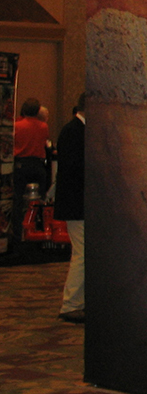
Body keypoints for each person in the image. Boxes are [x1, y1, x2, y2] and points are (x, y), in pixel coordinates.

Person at [54, 93, 85, 323]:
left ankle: (77, 302)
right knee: (81, 254)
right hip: (76, 203)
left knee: (84, 254)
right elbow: (73, 167)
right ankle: (71, 304)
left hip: (80, 202)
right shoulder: (72, 130)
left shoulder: (76, 130)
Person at [12, 98, 48, 241]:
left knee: (17, 200)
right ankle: (38, 227)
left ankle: (16, 233)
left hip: (21, 165)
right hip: (38, 166)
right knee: (41, 199)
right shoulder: (43, 126)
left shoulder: (17, 126)